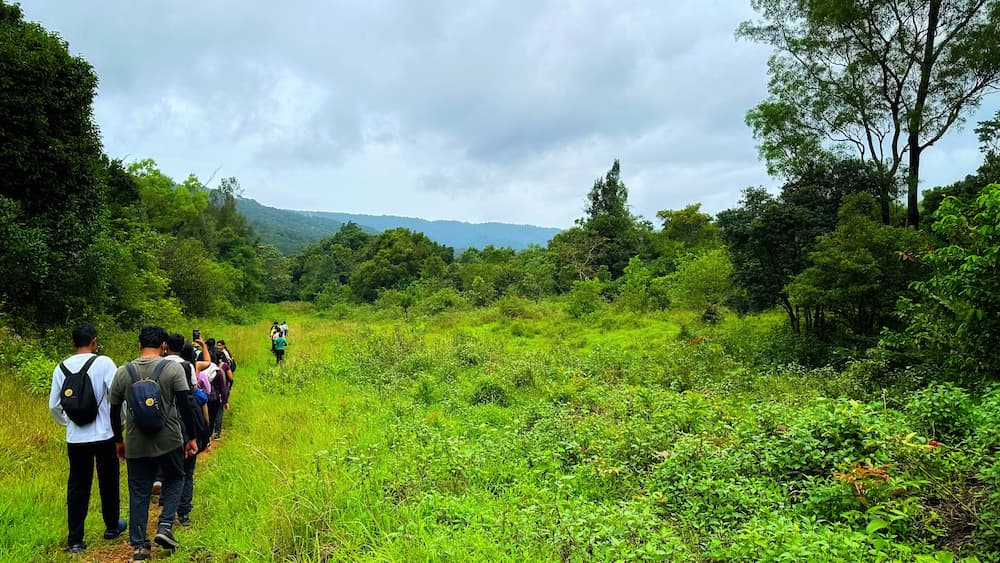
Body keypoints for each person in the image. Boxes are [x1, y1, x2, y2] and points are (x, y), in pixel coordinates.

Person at [108, 326, 199, 562]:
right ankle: (165, 526)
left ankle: (140, 548)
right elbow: (185, 404)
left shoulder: (123, 372)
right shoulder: (172, 368)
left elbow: (114, 410)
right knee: (176, 477)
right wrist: (191, 437)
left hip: (136, 442)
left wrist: (119, 440)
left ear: (139, 346)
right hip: (168, 439)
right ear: (164, 346)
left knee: (138, 491)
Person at [48, 323, 127, 554]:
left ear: (73, 343)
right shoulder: (104, 363)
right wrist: (118, 423)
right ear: (94, 341)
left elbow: (54, 405)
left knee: (78, 486)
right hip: (104, 435)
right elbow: (117, 397)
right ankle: (112, 526)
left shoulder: (60, 368)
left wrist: (70, 423)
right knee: (109, 480)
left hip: (76, 438)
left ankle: (75, 540)